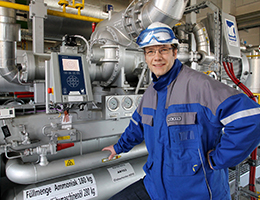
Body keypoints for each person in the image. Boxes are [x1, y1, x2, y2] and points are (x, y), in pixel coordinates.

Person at [102, 22, 260, 200]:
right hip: (156, 187)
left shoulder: (200, 86)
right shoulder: (151, 93)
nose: (157, 57)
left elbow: (251, 119)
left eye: (163, 50)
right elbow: (137, 126)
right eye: (150, 51)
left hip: (196, 193)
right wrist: (118, 147)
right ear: (145, 57)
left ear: (174, 53)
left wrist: (219, 159)